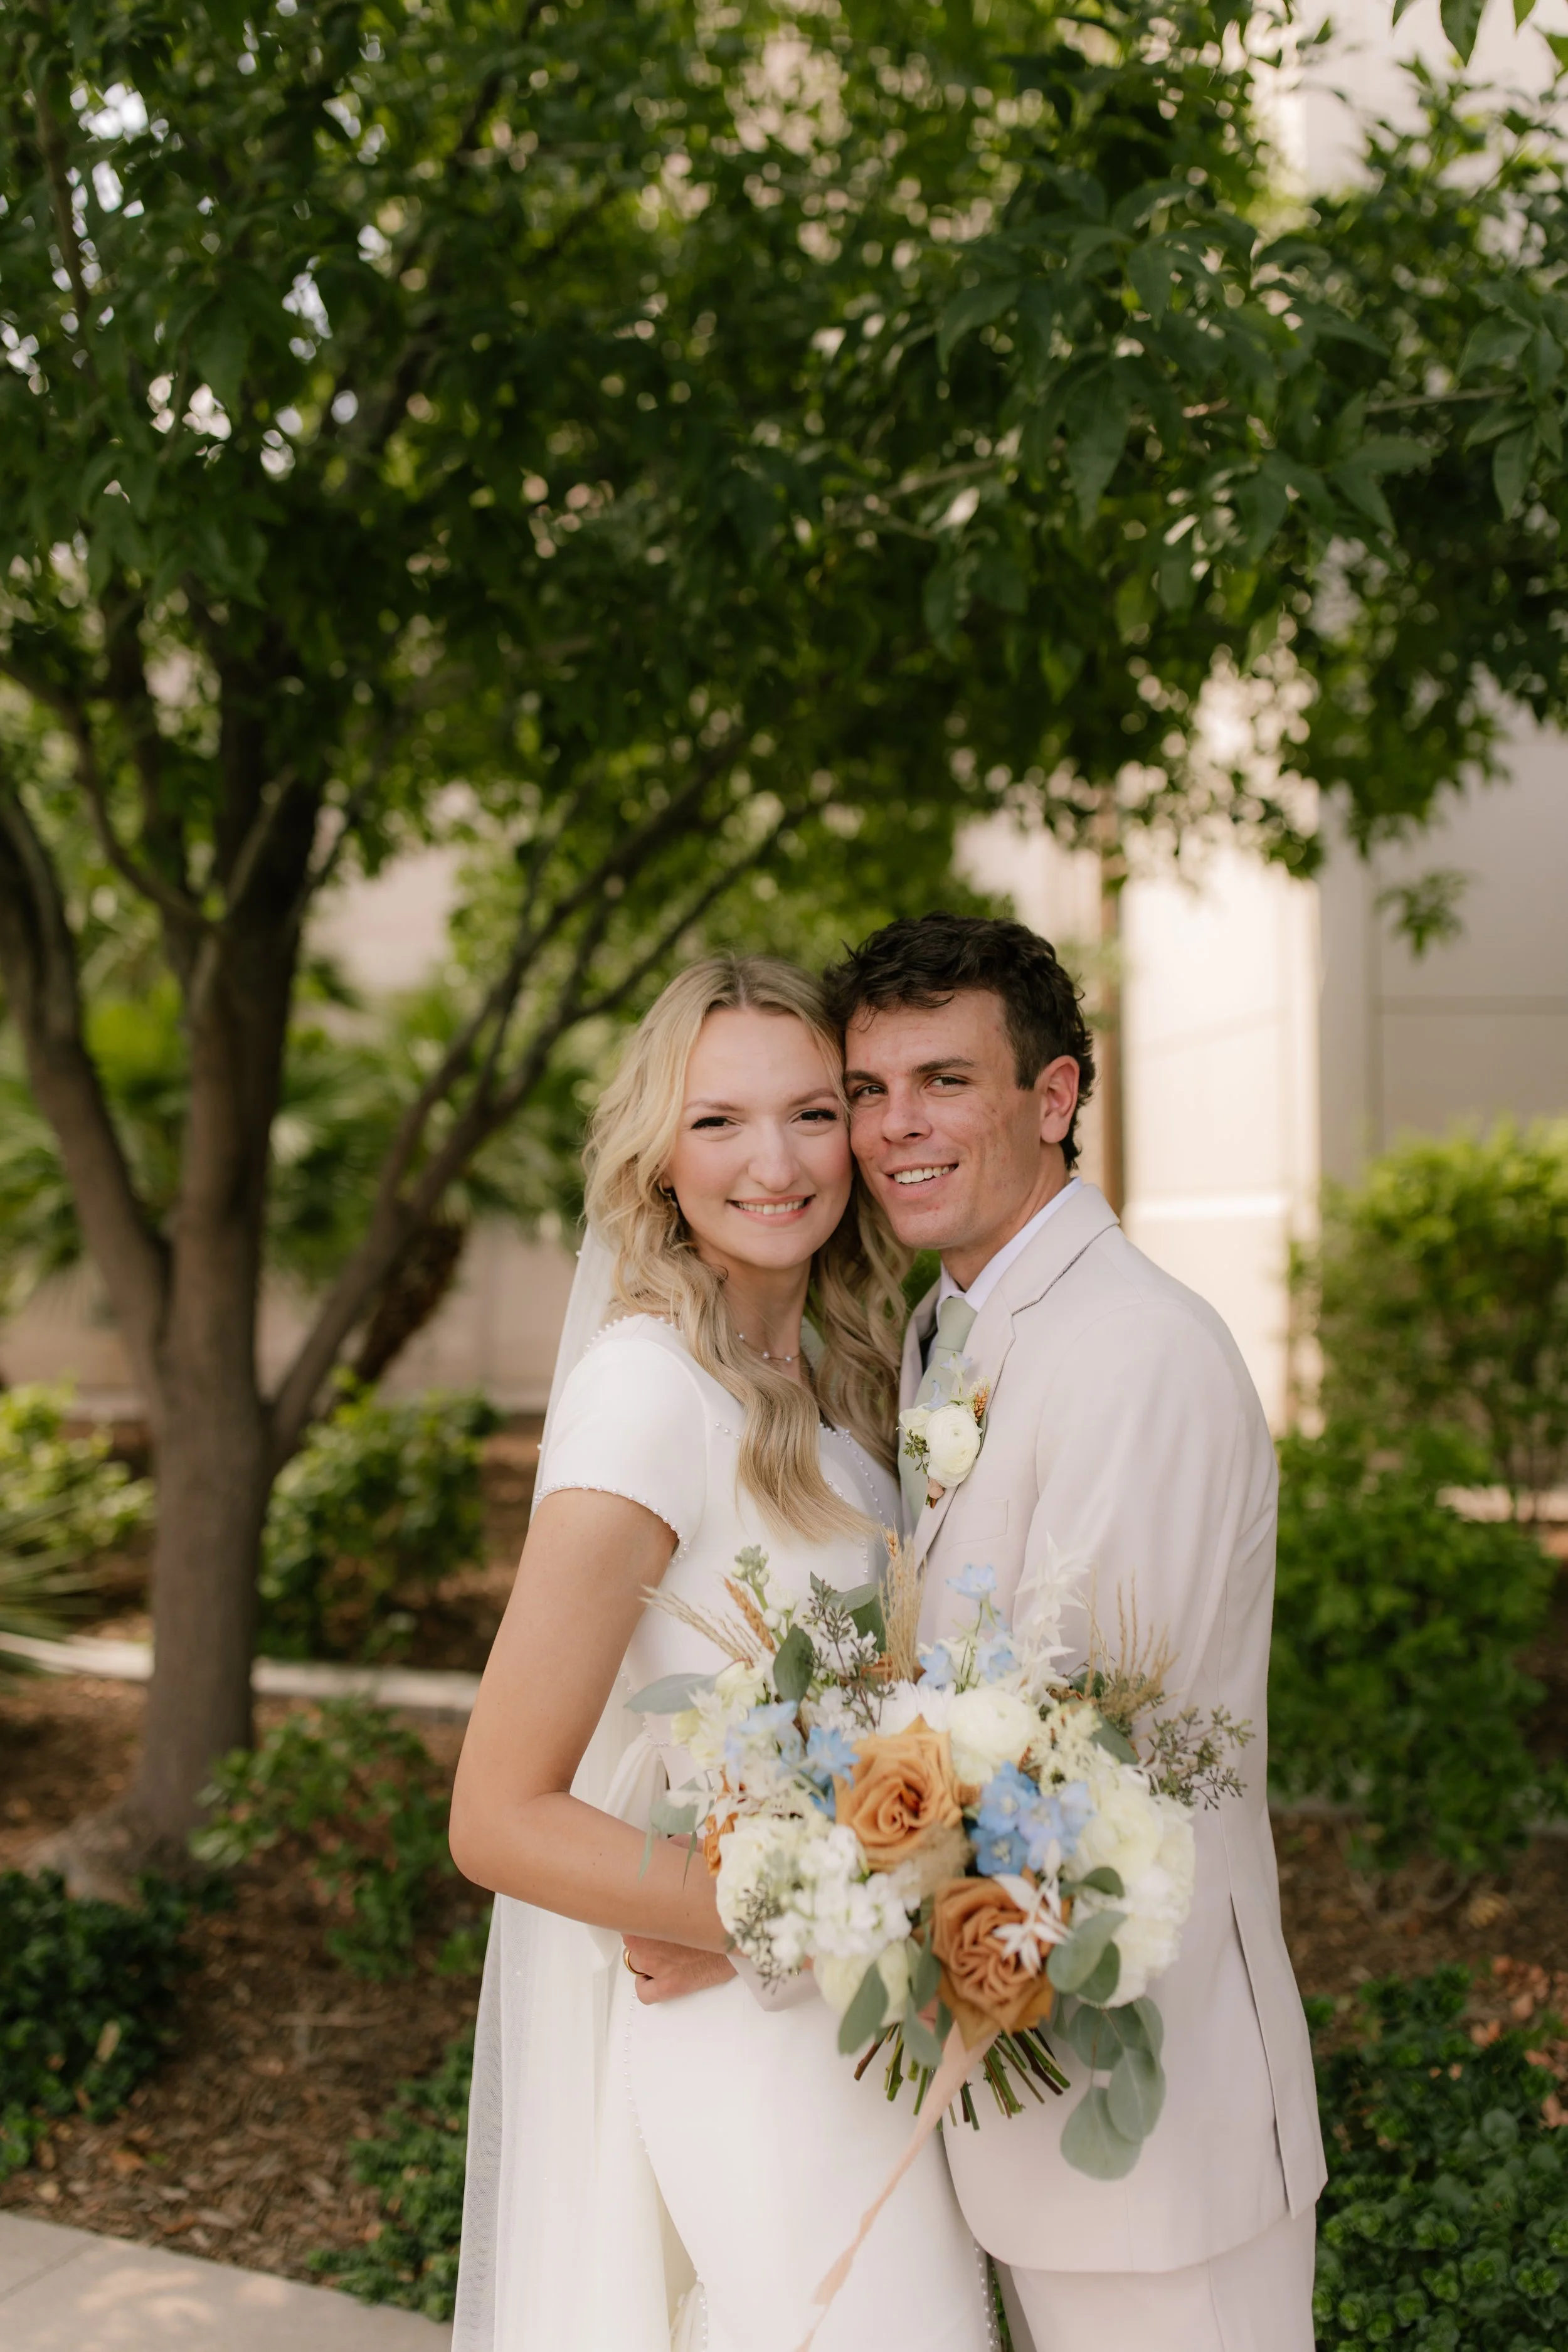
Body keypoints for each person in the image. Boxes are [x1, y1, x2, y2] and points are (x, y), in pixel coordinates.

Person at [448, 954, 993, 2352]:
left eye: (813, 1114)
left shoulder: (844, 1377)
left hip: (865, 2015)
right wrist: (772, 1917)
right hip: (753, 2042)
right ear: (656, 1161)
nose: (776, 1161)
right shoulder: (644, 1396)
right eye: (717, 1123)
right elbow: (497, 1816)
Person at [823, 911, 1325, 2352]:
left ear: (1051, 1100)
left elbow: (1073, 1752)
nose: (891, 1128)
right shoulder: (953, 1326)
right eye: (867, 1091)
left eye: (941, 1082)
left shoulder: (1134, 1349)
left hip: (1155, 2121)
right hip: (1019, 2105)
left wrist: (763, 1911)